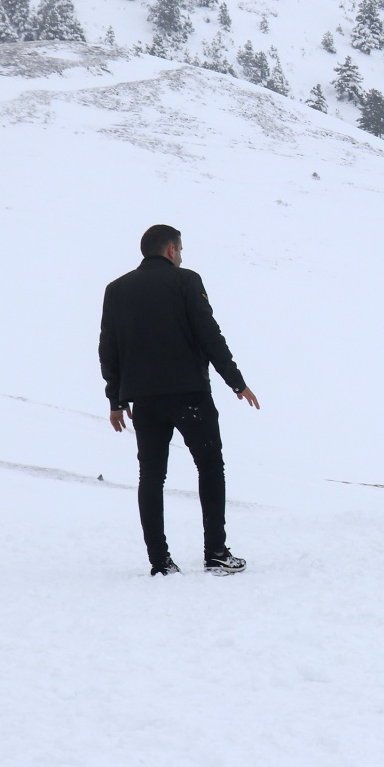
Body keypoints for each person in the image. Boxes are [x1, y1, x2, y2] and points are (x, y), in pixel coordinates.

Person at [99, 224, 259, 576]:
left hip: (143, 400)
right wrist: (236, 382)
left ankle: (160, 562)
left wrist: (115, 399)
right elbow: (209, 335)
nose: (182, 256)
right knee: (210, 468)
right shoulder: (186, 281)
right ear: (171, 250)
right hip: (189, 394)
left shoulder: (117, 290)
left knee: (151, 477)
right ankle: (215, 551)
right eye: (181, 249)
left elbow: (108, 349)